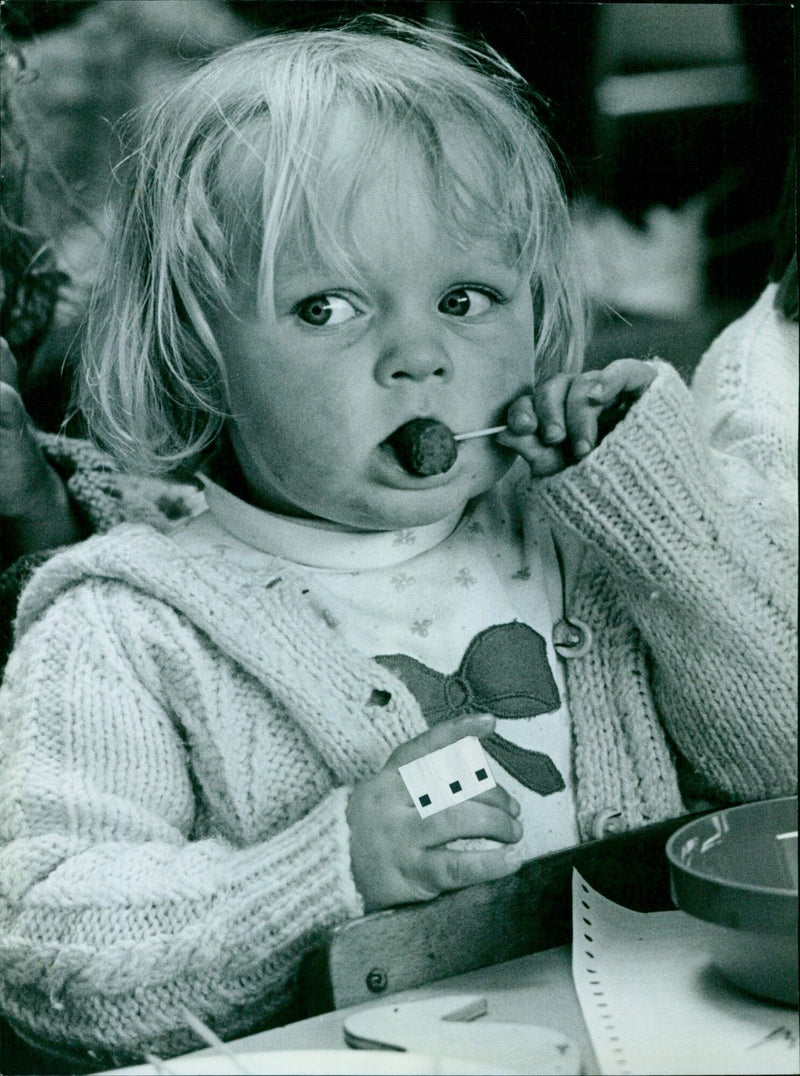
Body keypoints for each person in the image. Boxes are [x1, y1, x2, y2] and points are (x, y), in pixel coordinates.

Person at [0, 18, 795, 1070]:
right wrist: (327, 867)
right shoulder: (125, 625)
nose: (417, 356)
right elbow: (41, 955)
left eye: (465, 299)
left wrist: (655, 512)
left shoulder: (587, 533)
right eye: (326, 307)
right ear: (194, 353)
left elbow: (777, 762)